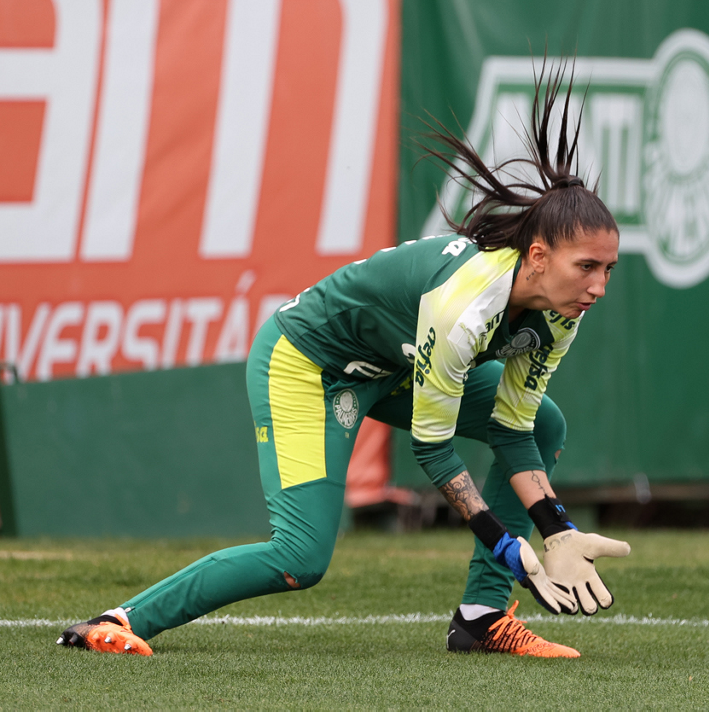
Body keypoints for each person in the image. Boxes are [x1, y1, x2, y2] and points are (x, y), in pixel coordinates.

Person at [57, 63, 630, 659]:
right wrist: (503, 541)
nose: (598, 287)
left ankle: (481, 617)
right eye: (586, 267)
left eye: (608, 269)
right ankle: (121, 619)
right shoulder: (464, 307)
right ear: (537, 257)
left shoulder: (563, 310)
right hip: (307, 363)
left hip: (395, 367)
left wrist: (557, 529)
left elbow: (512, 427)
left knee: (542, 424)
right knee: (299, 557)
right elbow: (433, 451)